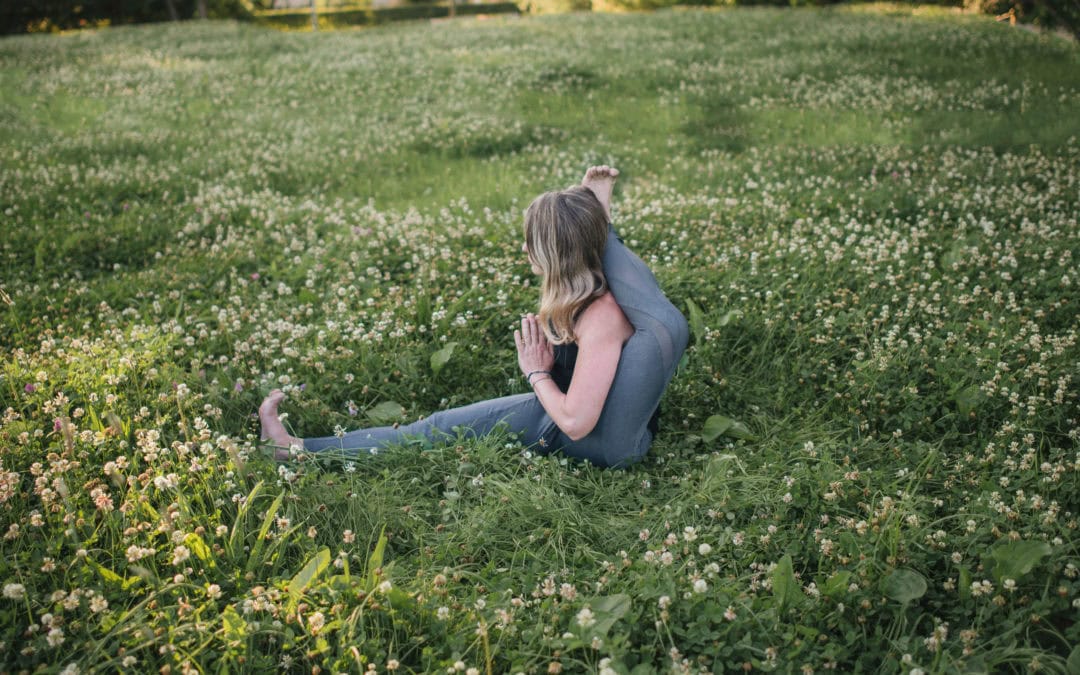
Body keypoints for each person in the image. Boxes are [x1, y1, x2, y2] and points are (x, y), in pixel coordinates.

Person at [259, 166, 688, 469]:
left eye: (532, 242)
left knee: (434, 430)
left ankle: (295, 450)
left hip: (590, 441)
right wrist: (593, 207)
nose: (524, 251)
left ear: (558, 253)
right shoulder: (603, 286)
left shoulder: (601, 317)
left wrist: (536, 373)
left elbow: (576, 423)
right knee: (437, 429)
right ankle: (301, 449)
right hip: (601, 429)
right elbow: (613, 259)